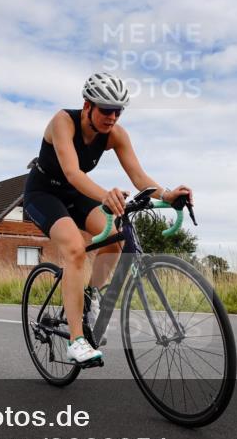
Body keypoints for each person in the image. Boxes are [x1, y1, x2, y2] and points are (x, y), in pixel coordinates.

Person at [22, 72, 193, 365]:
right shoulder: (63, 121)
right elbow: (73, 173)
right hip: (43, 193)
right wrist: (105, 195)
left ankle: (90, 295)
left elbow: (139, 177)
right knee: (75, 249)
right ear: (87, 105)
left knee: (117, 237)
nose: (112, 117)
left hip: (75, 194)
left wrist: (166, 195)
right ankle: (76, 341)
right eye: (106, 110)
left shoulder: (116, 135)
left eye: (118, 111)